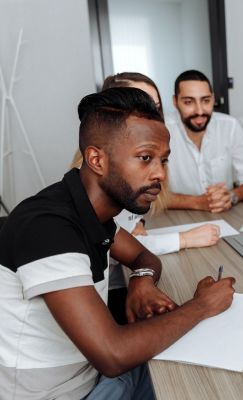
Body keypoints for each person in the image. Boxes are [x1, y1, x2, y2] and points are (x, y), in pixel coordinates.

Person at [0, 87, 235, 399]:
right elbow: (113, 354)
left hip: (94, 376)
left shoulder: (91, 212)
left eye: (163, 160)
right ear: (97, 159)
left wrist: (141, 282)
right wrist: (203, 305)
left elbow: (144, 257)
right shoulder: (48, 226)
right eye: (145, 158)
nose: (160, 174)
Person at [70, 72, 220, 324]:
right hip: (109, 299)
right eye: (138, 106)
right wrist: (184, 240)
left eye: (154, 108)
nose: (150, 117)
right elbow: (110, 351)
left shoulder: (112, 198)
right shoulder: (69, 216)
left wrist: (142, 273)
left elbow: (136, 250)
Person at [165, 70, 243, 212]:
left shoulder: (229, 126)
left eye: (206, 100)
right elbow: (146, 195)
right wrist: (196, 202)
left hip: (223, 215)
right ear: (175, 101)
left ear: (213, 99)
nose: (200, 111)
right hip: (174, 219)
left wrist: (231, 196)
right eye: (189, 102)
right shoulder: (161, 130)